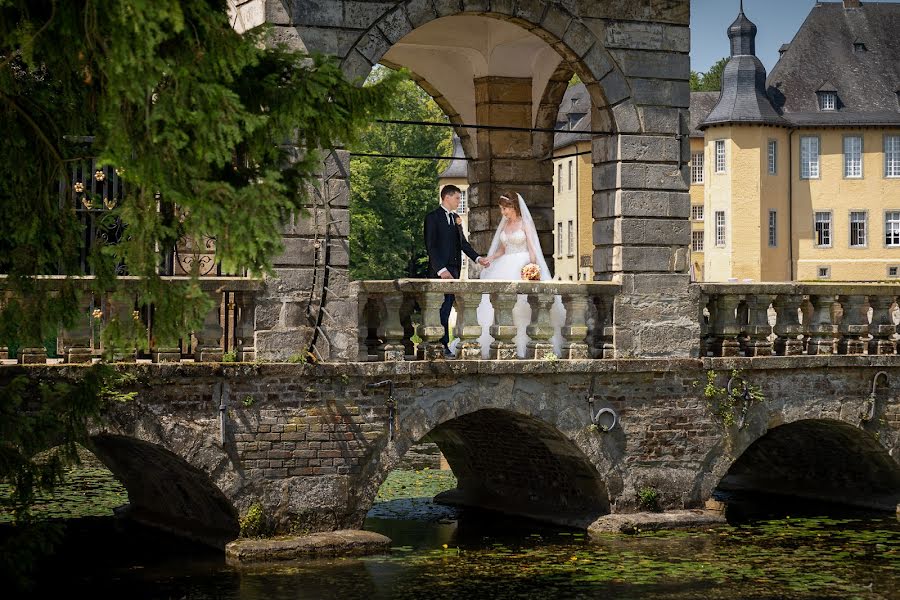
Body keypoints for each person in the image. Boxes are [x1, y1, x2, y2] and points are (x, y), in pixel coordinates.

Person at [477, 191, 561, 358]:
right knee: (499, 304)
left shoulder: (525, 224)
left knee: (522, 307)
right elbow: (502, 249)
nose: (503, 213)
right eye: (501, 209)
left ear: (513, 206)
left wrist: (532, 267)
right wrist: (490, 258)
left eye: (504, 209)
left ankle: (523, 345)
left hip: (522, 263)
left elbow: (532, 247)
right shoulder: (505, 225)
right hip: (504, 265)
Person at [424, 184, 490, 357]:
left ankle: (443, 344)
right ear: (447, 197)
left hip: (454, 271)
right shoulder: (432, 217)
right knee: (437, 308)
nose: (459, 201)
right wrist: (441, 270)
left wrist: (477, 258)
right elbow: (430, 247)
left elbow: (463, 244)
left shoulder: (455, 219)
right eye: (457, 198)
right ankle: (436, 345)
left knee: (447, 308)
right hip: (439, 272)